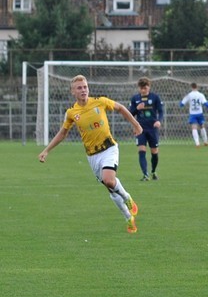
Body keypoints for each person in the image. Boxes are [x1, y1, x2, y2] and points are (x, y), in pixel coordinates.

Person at [38, 75, 143, 234]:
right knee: (110, 187)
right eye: (79, 88)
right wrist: (46, 150)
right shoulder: (72, 113)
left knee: (109, 180)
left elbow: (120, 108)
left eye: (85, 87)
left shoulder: (100, 101)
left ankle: (127, 197)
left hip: (109, 148)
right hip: (92, 156)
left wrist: (136, 124)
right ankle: (128, 217)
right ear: (73, 91)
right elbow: (62, 133)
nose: (83, 90)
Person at [130, 77, 164, 180]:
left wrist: (159, 121)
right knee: (141, 150)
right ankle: (145, 174)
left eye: (145, 88)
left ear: (149, 87)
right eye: (141, 88)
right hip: (140, 128)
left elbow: (161, 111)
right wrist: (137, 108)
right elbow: (130, 114)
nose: (143, 90)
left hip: (152, 128)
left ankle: (153, 171)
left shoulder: (155, 97)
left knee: (154, 152)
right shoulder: (135, 98)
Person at [180, 82, 208, 147]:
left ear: (191, 87)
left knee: (194, 127)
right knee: (202, 126)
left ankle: (197, 143)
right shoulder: (201, 95)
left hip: (193, 114)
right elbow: (205, 103)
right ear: (197, 87)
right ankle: (205, 141)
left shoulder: (189, 95)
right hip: (200, 113)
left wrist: (183, 99)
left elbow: (181, 104)